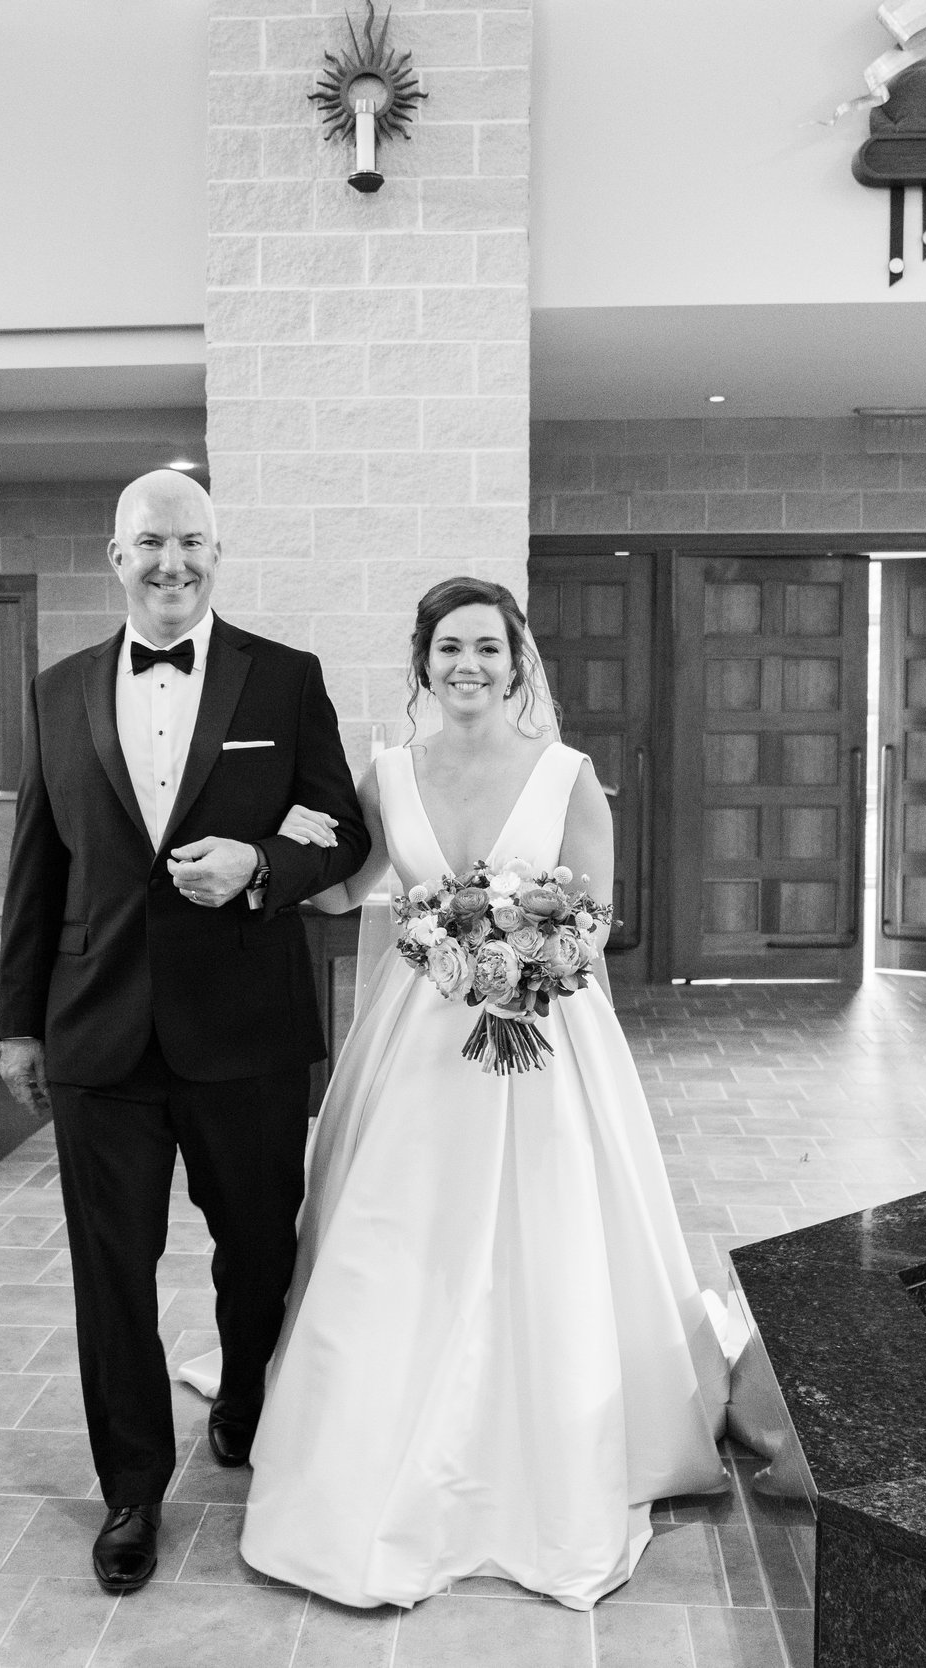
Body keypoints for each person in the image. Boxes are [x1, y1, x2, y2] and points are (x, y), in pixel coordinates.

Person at [218, 577, 731, 1610]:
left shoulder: (567, 774)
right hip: (416, 1044)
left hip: (547, 1037)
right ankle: (365, 1430)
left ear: (516, 661)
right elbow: (342, 885)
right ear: (421, 662)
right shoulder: (386, 774)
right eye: (449, 648)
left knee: (550, 1235)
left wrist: (523, 963)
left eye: (488, 649)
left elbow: (597, 921)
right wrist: (267, 842)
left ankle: (547, 1431)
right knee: (393, 1235)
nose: (468, 666)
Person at [0, 470, 371, 1594]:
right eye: (151, 543)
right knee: (109, 1271)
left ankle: (247, 1395)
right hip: (97, 1032)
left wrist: (264, 866)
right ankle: (129, 1489)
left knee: (258, 1248)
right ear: (115, 556)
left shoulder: (284, 678)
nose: (173, 564)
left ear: (219, 552)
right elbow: (35, 867)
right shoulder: (59, 689)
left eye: (193, 542)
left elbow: (342, 829)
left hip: (245, 1029)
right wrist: (19, 1025)